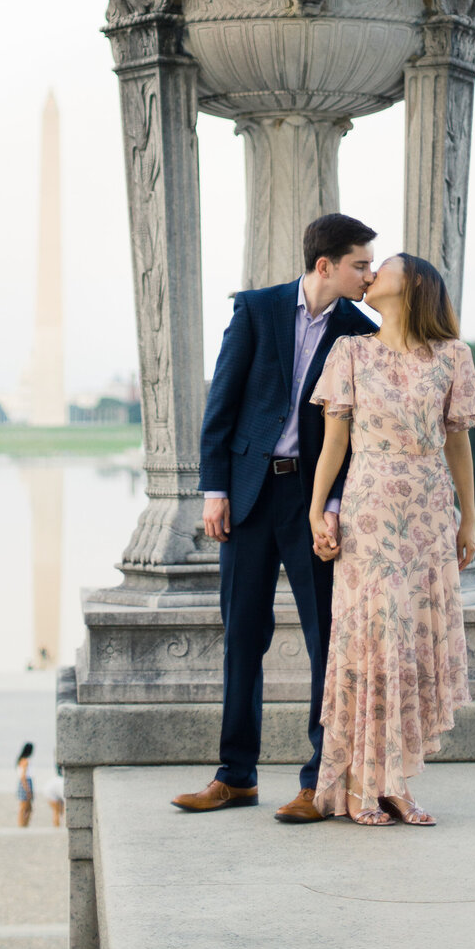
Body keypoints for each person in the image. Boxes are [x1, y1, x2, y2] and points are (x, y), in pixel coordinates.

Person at [171, 214, 378, 822]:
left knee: (325, 642)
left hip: (312, 503)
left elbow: (355, 433)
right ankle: (234, 776)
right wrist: (215, 488)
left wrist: (333, 507)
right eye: (360, 265)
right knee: (242, 637)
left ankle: (318, 780)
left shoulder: (359, 333)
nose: (368, 275)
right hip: (248, 495)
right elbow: (223, 402)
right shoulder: (257, 311)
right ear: (325, 266)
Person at [307, 253, 475, 824]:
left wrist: (468, 519)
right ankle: (360, 784)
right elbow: (334, 444)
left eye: (380, 268)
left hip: (430, 515)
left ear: (412, 287)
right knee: (373, 643)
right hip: (371, 514)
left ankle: (397, 783)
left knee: (411, 643)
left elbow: (458, 442)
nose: (369, 276)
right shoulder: (350, 352)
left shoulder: (453, 357)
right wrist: (317, 512)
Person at [17, 741, 35, 826]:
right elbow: (23, 776)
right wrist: (28, 790)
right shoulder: (25, 761)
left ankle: (23, 824)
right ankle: (22, 824)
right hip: (26, 783)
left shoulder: (21, 760)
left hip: (25, 782)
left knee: (27, 807)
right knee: (25, 807)